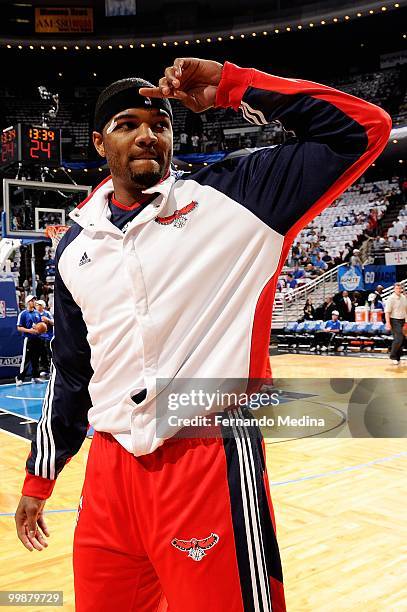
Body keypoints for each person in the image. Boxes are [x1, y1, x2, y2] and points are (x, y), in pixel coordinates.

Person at [14, 57, 391, 612]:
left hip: (210, 459)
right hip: (111, 470)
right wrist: (39, 481)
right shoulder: (75, 246)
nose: (147, 134)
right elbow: (73, 373)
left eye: (159, 124)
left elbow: (363, 129)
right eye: (127, 124)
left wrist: (233, 87)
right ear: (99, 144)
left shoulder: (238, 198)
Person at [15, 295, 43, 386]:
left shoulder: (37, 313)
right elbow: (19, 328)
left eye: (34, 300)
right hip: (28, 339)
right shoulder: (23, 314)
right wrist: (29, 330)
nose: (34, 302)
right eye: (32, 300)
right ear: (28, 302)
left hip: (37, 339)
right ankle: (19, 378)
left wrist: (40, 329)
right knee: (26, 359)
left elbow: (39, 325)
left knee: (36, 359)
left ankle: (35, 377)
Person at [385, 282, 407, 365]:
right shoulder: (391, 298)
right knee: (398, 338)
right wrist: (388, 323)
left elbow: (406, 310)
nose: (398, 290)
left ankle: (398, 357)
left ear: (401, 289)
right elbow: (387, 312)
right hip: (394, 320)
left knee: (403, 340)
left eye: (400, 288)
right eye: (397, 288)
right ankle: (393, 356)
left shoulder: (404, 298)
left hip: (403, 321)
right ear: (394, 289)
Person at [35, 299, 54, 375]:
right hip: (39, 337)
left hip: (48, 337)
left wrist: (48, 320)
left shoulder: (47, 313)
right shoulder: (35, 314)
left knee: (49, 354)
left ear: (43, 306)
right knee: (42, 354)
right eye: (36, 305)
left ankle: (51, 369)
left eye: (39, 305)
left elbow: (53, 323)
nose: (37, 306)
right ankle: (45, 369)